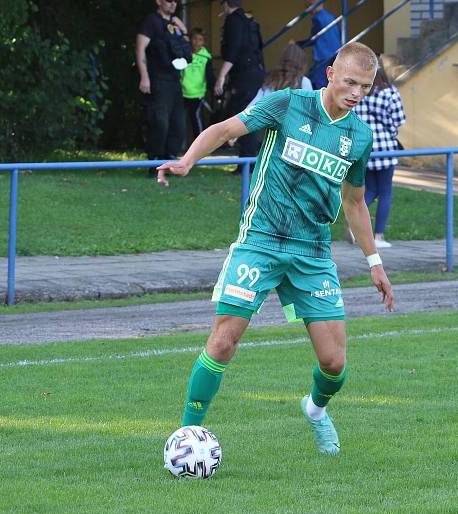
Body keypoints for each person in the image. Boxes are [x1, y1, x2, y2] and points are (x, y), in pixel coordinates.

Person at [157, 42, 394, 456]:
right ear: (331, 74)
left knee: (335, 366)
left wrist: (374, 262)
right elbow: (225, 129)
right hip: (261, 241)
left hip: (313, 253)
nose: (356, 93)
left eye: (365, 86)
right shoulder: (288, 104)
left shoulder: (359, 135)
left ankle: (316, 410)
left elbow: (355, 203)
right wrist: (187, 159)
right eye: (351, 82)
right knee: (224, 340)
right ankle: (185, 436)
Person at [353, 59, 406, 248]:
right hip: (385, 148)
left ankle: (355, 228)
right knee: (385, 193)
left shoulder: (360, 92)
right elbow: (399, 120)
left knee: (370, 190)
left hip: (364, 148)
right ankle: (378, 236)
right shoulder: (389, 92)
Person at [136, 0, 189, 171]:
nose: (173, 4)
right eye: (169, 0)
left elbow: (186, 49)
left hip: (175, 80)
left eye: (175, 1)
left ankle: (170, 159)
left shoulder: (175, 24)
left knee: (178, 123)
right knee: (160, 122)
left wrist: (184, 30)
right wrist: (144, 77)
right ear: (159, 1)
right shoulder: (151, 21)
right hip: (158, 78)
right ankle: (154, 161)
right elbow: (140, 49)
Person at [215, 0, 265, 159]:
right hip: (256, 72)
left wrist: (221, 76)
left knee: (243, 117)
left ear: (225, 4)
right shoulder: (250, 19)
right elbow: (259, 47)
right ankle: (248, 158)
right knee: (250, 114)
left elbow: (233, 50)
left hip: (243, 75)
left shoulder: (233, 21)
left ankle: (246, 160)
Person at [247, 42, 313, 108]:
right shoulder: (303, 82)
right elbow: (311, 110)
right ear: (301, 64)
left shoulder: (271, 81)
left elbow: (251, 108)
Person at [299, 0, 342, 89]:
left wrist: (298, 44)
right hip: (336, 54)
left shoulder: (317, 18)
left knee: (320, 83)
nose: (309, 9)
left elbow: (313, 39)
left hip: (323, 57)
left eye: (310, 5)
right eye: (308, 6)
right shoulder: (331, 16)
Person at [181, 28, 215, 142]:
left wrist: (213, 89)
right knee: (179, 120)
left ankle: (200, 145)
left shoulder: (206, 57)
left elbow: (209, 76)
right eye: (194, 39)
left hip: (197, 93)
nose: (196, 42)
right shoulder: (183, 53)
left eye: (200, 40)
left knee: (195, 119)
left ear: (203, 42)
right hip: (181, 91)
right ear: (190, 40)